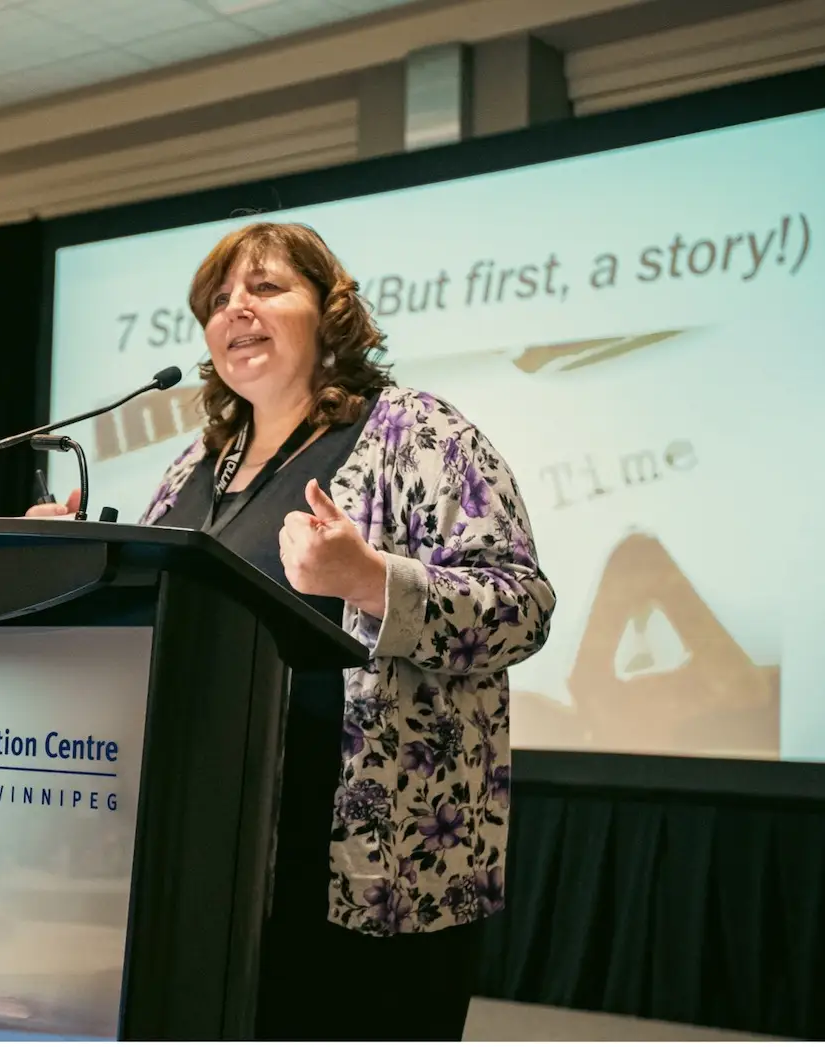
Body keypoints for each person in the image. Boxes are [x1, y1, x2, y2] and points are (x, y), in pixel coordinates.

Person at [30, 221, 556, 1041]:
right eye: (218, 300)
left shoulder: (419, 436)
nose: (237, 307)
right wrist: (64, 571)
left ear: (330, 312)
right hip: (212, 853)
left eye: (267, 288)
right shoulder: (193, 468)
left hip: (371, 870)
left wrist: (372, 581)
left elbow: (522, 605)